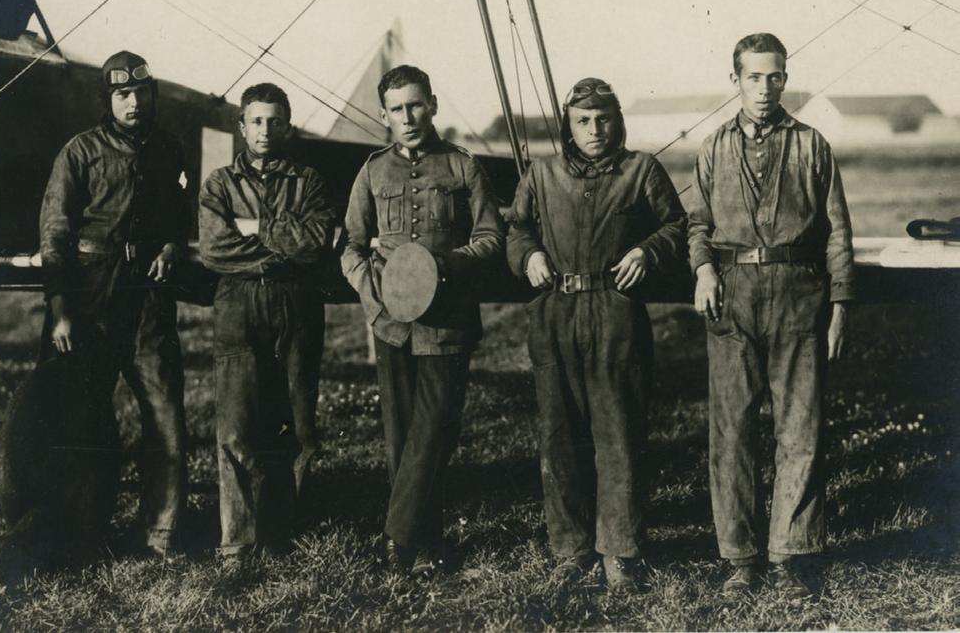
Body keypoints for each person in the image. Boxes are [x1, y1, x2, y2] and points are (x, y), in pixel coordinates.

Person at [686, 33, 854, 599]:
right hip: (732, 295)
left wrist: (840, 305)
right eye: (753, 77)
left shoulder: (812, 146)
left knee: (799, 429)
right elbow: (697, 225)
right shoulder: (712, 148)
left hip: (798, 294)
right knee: (732, 432)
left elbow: (837, 234)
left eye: (775, 76)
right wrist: (704, 270)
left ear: (786, 78)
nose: (764, 88)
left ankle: (792, 555)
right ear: (734, 80)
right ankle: (739, 558)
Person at [506, 77, 686, 592]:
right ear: (568, 123)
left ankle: (621, 552)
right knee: (559, 436)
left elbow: (676, 224)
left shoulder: (640, 170)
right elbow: (516, 227)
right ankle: (570, 549)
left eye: (603, 118)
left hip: (615, 312)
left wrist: (646, 252)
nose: (594, 130)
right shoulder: (542, 174)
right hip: (555, 311)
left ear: (617, 119)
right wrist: (530, 255)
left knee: (619, 433)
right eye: (583, 120)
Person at [341, 64, 505, 573]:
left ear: (432, 104)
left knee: (434, 430)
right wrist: (374, 296)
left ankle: (396, 538)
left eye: (415, 105)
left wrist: (447, 268)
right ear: (383, 114)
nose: (407, 117)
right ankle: (425, 544)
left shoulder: (462, 167)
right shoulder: (371, 171)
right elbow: (349, 246)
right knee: (401, 436)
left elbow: (491, 239)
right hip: (392, 325)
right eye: (396, 109)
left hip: (447, 319)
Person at [39, 50, 188, 559]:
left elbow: (179, 217)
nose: (133, 102)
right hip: (90, 295)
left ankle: (161, 534)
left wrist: (171, 246)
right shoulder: (79, 153)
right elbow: (55, 233)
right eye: (122, 94)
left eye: (141, 93)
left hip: (146, 295)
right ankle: (78, 533)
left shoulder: (169, 150)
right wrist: (61, 308)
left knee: (165, 411)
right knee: (81, 416)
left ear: (152, 95)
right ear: (109, 99)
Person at [199, 83, 335, 560]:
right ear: (241, 127)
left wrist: (255, 230)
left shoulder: (310, 181)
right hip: (237, 306)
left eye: (275, 121)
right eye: (256, 121)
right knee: (235, 427)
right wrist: (279, 248)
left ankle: (280, 534)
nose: (265, 130)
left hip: (296, 306)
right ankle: (237, 541)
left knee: (296, 424)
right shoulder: (219, 183)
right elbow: (215, 248)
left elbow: (317, 241)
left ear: (288, 125)